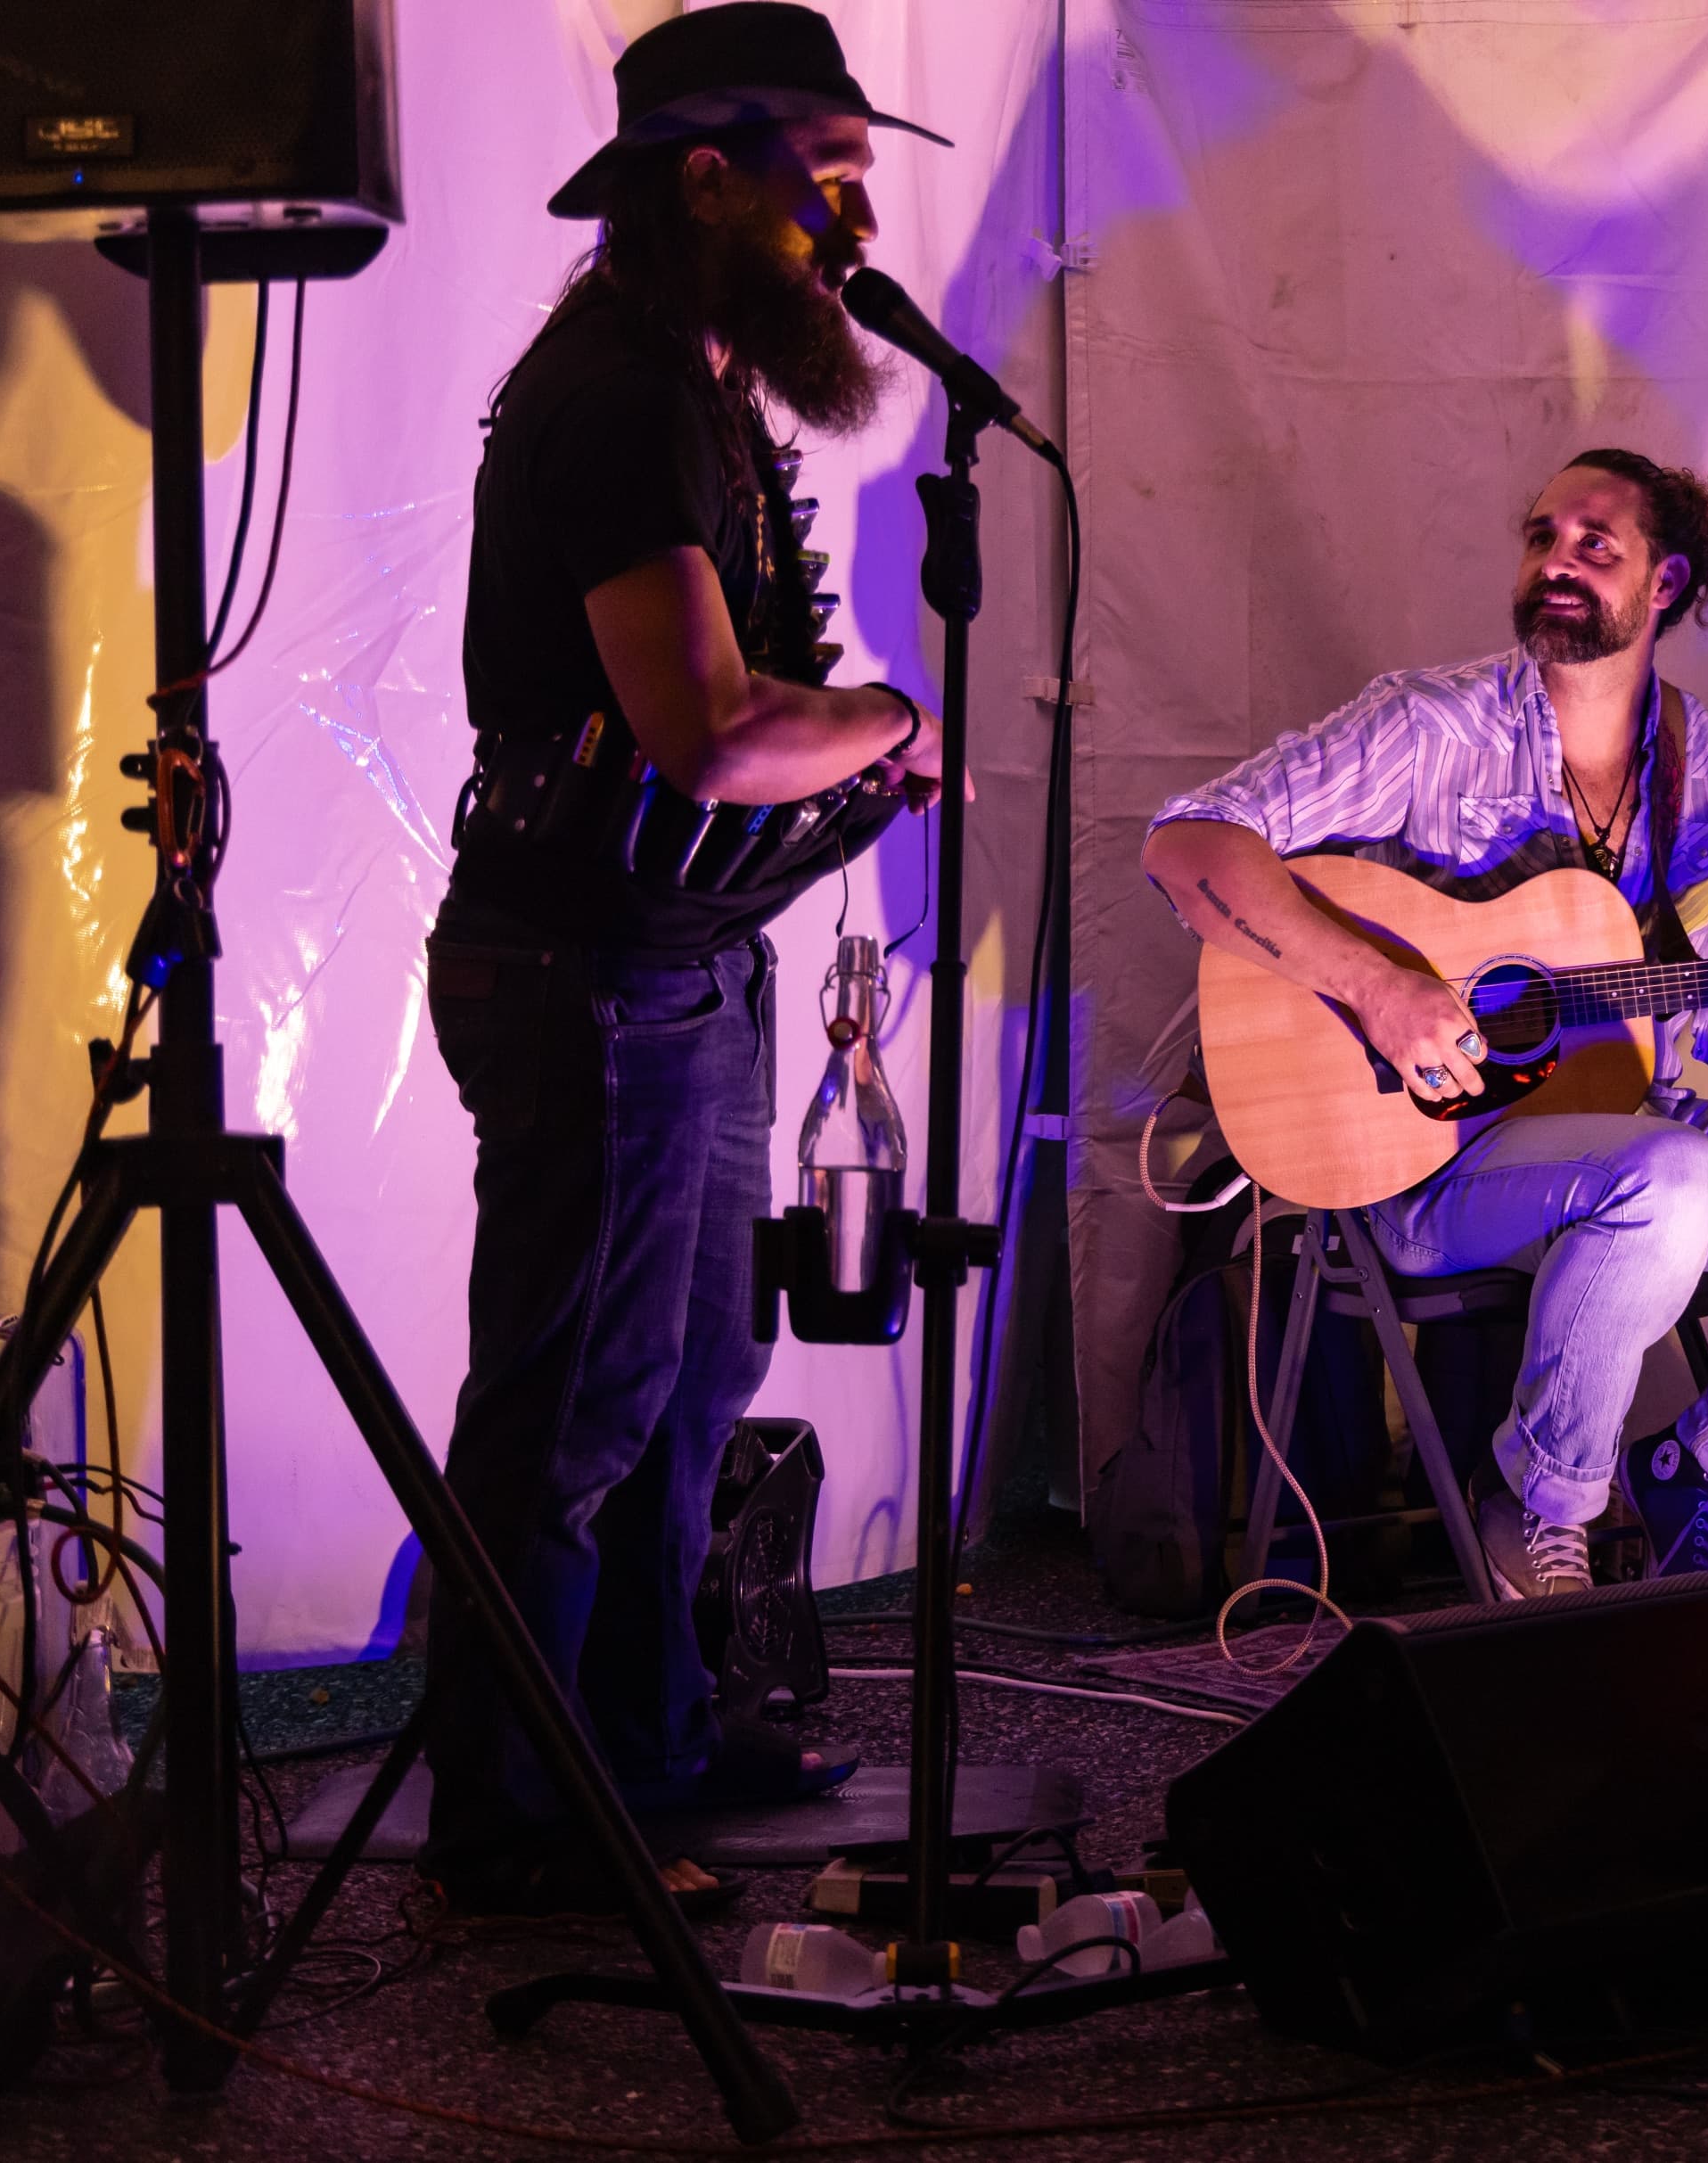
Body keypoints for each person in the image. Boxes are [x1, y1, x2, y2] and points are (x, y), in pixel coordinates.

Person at [422, 4, 956, 1915]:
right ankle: (512, 1809)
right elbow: (714, 735)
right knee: (573, 1400)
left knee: (697, 1367)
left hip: (684, 965)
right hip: (588, 976)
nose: (854, 225)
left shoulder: (699, 390)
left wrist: (861, 744)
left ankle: (638, 1738)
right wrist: (886, 720)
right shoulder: (619, 397)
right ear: (706, 180)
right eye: (828, 181)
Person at [1142, 451, 1708, 1597]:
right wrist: (1375, 988)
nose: (1556, 561)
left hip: (1640, 1142)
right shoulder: (1430, 728)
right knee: (1671, 1172)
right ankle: (1540, 1501)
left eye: (1595, 542)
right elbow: (1188, 842)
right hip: (1430, 1165)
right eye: (1542, 536)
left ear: (1668, 581)